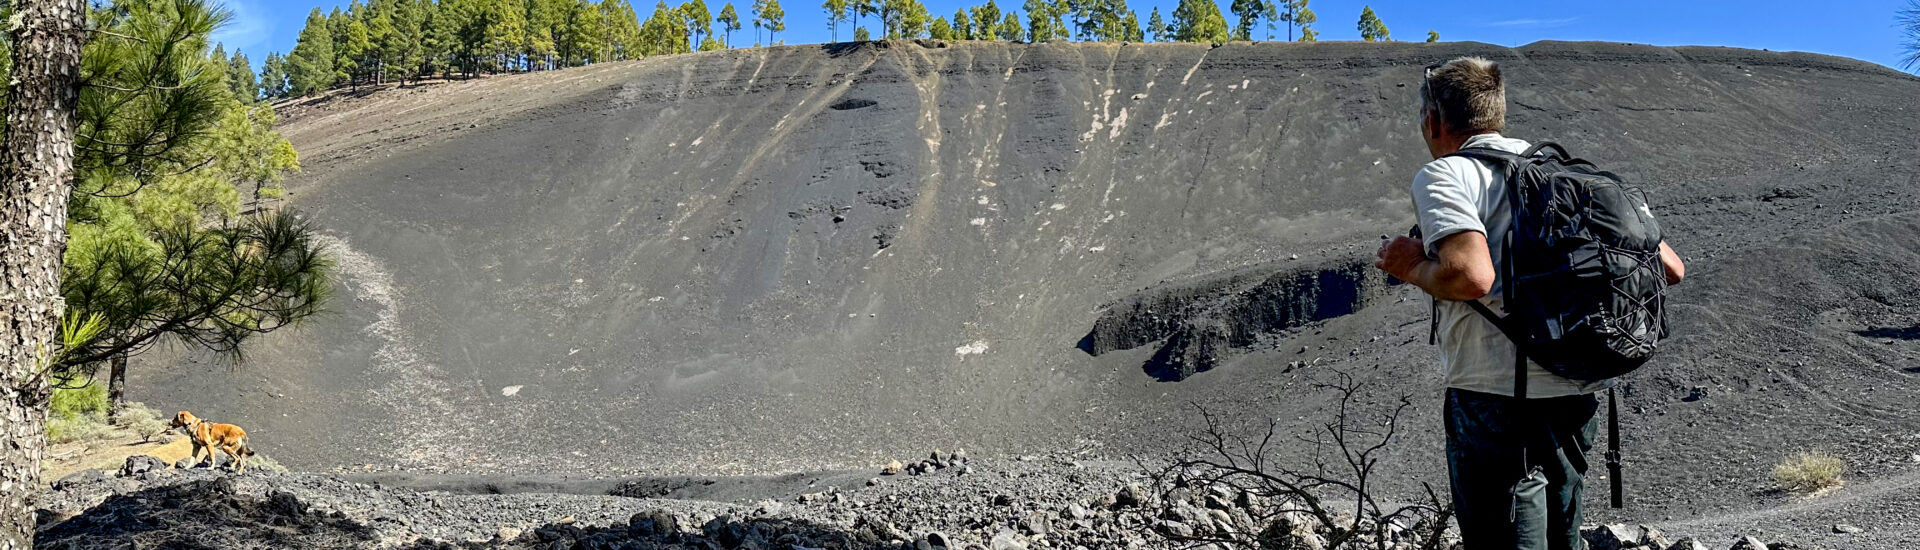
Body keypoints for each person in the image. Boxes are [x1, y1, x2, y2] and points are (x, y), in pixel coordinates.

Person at [1372, 57, 1686, 550]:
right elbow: (1670, 267)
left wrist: (1409, 264)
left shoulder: (1447, 175)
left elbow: (1471, 276)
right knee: (1563, 536)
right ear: (1495, 113)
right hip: (1574, 387)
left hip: (1491, 395)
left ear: (1433, 120)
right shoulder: (1568, 175)